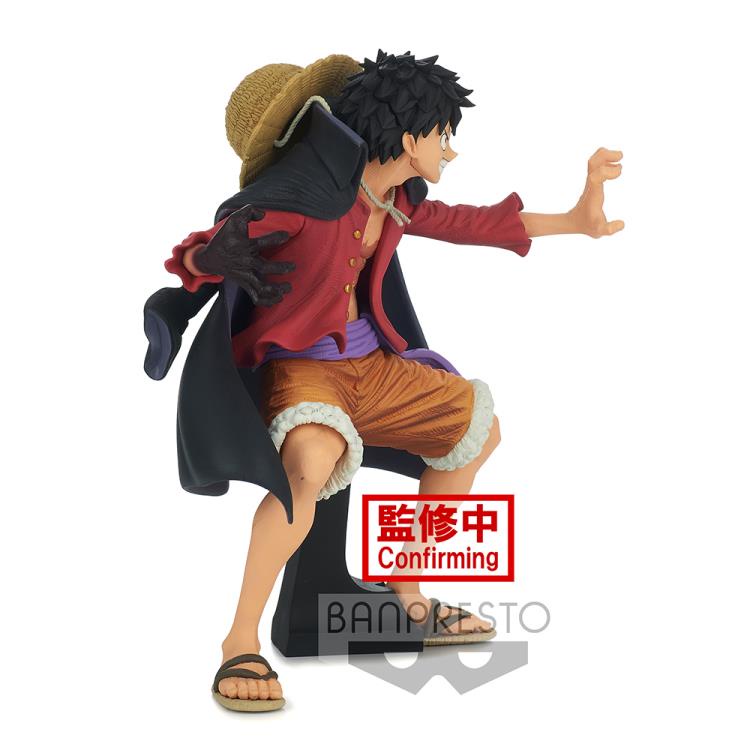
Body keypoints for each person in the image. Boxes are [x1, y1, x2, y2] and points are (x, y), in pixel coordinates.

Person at [145, 50, 624, 712]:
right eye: (442, 134)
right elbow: (211, 247)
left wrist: (575, 219)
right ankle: (240, 640)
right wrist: (208, 255)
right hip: (306, 370)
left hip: (375, 367)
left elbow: (471, 223)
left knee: (476, 429)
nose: (449, 149)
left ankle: (407, 587)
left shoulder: (393, 198)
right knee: (311, 464)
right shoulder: (301, 202)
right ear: (407, 135)